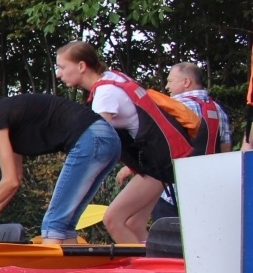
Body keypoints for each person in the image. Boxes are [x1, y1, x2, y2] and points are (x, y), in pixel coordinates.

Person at [55, 41, 202, 245]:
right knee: (133, 225)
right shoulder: (113, 77)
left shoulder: (105, 96)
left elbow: (96, 144)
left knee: (113, 220)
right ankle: (160, 267)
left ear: (81, 66)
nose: (58, 74)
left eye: (62, 67)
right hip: (164, 160)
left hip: (157, 166)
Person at [0, 78, 121, 242]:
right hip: (109, 139)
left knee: (53, 225)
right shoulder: (7, 114)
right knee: (64, 225)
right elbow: (17, 177)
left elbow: (9, 181)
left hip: (90, 139)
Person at [153, 62, 232, 219]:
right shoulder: (218, 109)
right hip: (210, 191)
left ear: (186, 82)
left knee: (167, 242)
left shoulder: (174, 108)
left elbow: (159, 147)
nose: (167, 87)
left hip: (174, 194)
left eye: (170, 81)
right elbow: (226, 151)